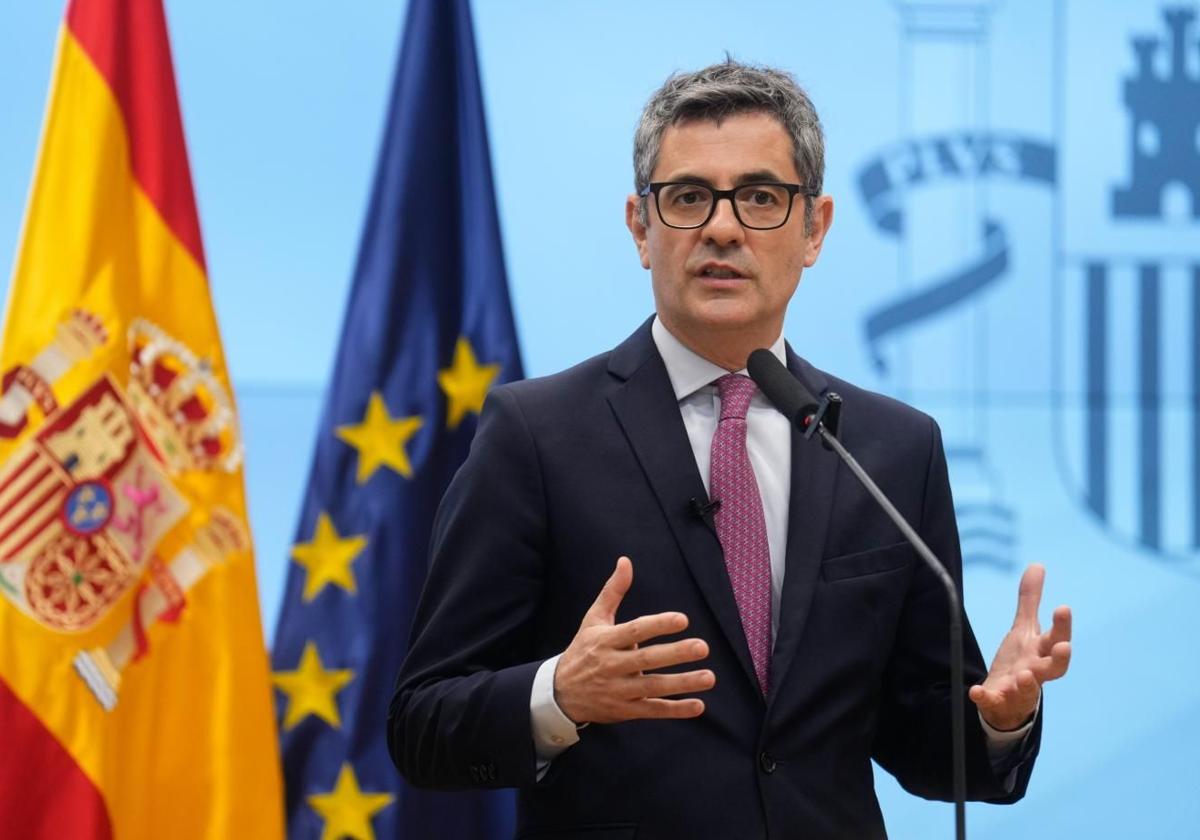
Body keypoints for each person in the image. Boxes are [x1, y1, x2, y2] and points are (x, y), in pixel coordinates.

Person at [388, 60, 1072, 839]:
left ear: (814, 229)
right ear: (640, 229)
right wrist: (559, 695)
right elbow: (422, 724)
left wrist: (1000, 720)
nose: (721, 228)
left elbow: (926, 746)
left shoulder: (890, 449)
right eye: (687, 198)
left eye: (760, 198)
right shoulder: (536, 434)